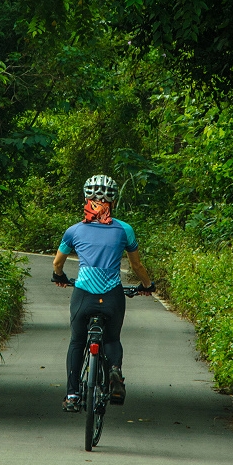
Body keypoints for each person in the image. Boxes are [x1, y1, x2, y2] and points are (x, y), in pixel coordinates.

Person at [52, 174, 155, 412]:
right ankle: (115, 371)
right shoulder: (124, 230)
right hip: (112, 295)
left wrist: (59, 276)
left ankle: (72, 395)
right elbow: (137, 267)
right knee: (111, 339)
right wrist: (148, 285)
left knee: (77, 341)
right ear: (114, 201)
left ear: (87, 199)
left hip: (84, 294)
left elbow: (57, 263)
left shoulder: (74, 231)